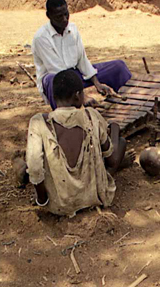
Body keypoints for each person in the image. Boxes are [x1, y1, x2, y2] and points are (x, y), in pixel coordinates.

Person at [25, 70, 130, 217]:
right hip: (95, 198)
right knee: (120, 141)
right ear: (77, 95)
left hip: (59, 206)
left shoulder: (38, 122)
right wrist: (114, 129)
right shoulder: (91, 116)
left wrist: (43, 200)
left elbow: (35, 167)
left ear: (54, 97)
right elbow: (111, 159)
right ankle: (115, 130)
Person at [33, 0, 132, 110]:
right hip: (56, 80)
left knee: (118, 67)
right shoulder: (41, 38)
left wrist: (97, 83)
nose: (65, 19)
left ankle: (131, 103)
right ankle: (64, 119)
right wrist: (82, 96)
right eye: (59, 16)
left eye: (66, 14)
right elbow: (58, 71)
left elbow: (82, 60)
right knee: (52, 79)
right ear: (49, 16)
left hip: (75, 74)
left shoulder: (73, 29)